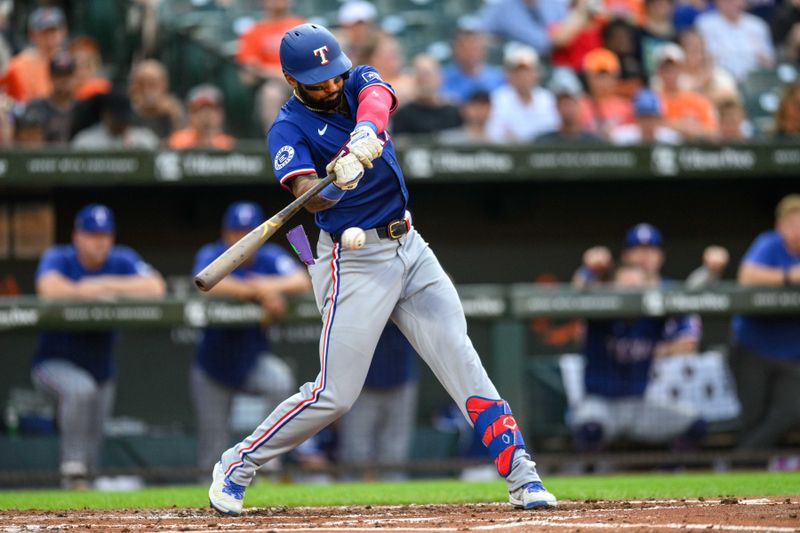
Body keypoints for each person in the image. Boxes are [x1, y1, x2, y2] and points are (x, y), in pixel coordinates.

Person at [208, 22, 557, 515]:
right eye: (318, 82)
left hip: (409, 245)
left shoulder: (355, 80)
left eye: (333, 76)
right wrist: (336, 182)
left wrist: (366, 135)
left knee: (461, 358)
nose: (330, 87)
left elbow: (377, 97)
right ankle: (238, 463)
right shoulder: (288, 128)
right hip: (354, 260)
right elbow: (309, 198)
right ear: (292, 82)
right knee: (335, 394)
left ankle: (522, 475)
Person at [31, 204, 166, 488]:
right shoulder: (60, 256)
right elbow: (48, 287)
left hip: (101, 370)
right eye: (92, 234)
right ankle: (71, 465)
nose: (100, 241)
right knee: (80, 390)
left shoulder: (121, 259)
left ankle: (79, 503)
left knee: (91, 455)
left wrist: (105, 283)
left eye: (105, 234)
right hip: (52, 364)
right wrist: (83, 291)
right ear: (77, 236)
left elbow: (155, 286)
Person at [192, 201, 316, 475]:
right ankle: (204, 496)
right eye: (237, 232)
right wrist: (256, 292)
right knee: (211, 447)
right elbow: (204, 282)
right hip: (213, 365)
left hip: (251, 360)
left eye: (250, 233)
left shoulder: (270, 257)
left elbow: (300, 281)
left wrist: (267, 286)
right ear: (226, 233)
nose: (242, 239)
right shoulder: (213, 253)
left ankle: (269, 461)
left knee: (279, 379)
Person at [569, 262, 706, 454]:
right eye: (626, 286)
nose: (631, 292)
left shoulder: (653, 317)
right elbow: (576, 293)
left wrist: (707, 272)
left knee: (695, 423)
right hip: (601, 403)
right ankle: (590, 476)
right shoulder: (599, 313)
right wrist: (588, 269)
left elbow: (689, 304)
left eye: (637, 286)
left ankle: (669, 474)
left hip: (640, 405)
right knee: (590, 428)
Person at [731, 194, 800, 450]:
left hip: (793, 354)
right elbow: (746, 276)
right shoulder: (769, 244)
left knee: (791, 412)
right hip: (753, 348)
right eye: (791, 224)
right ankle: (744, 476)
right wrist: (788, 276)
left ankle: (739, 463)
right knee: (752, 417)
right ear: (779, 226)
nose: (797, 230)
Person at [338, 322, 418, 480]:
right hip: (359, 382)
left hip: (400, 376)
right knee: (355, 454)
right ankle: (350, 503)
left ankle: (395, 503)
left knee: (394, 455)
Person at [485, 44, 560, 144]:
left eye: (527, 71)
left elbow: (554, 132)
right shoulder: (498, 99)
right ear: (508, 74)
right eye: (517, 72)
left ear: (536, 73)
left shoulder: (547, 98)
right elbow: (494, 134)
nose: (522, 76)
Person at [651, 42, 719, 141]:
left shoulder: (697, 100)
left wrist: (692, 131)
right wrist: (681, 126)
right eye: (665, 68)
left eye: (673, 68)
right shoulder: (652, 100)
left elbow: (713, 132)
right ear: (658, 71)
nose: (670, 72)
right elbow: (646, 127)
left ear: (681, 69)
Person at [696, 0, 775, 82]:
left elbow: (770, 63)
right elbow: (699, 58)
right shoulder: (705, 24)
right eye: (729, 1)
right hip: (719, 80)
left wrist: (761, 56)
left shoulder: (757, 25)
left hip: (754, 80)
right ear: (718, 2)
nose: (735, 4)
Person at [5, 6, 68, 102]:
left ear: (63, 31)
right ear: (32, 35)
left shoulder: (70, 62)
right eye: (43, 33)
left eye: (53, 31)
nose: (49, 38)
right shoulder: (18, 65)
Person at [440, 16, 506, 105]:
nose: (470, 48)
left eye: (475, 42)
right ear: (454, 48)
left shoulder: (500, 79)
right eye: (464, 42)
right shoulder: (441, 78)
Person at [391, 54, 461, 137]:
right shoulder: (403, 115)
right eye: (420, 75)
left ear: (440, 78)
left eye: (428, 74)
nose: (425, 80)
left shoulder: (453, 112)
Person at [577, 47, 635, 140]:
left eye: (606, 76)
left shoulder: (627, 108)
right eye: (597, 76)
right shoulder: (579, 107)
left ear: (616, 77)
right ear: (587, 78)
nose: (602, 81)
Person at [536, 68, 604, 145]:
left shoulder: (594, 142)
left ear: (579, 105)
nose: (567, 108)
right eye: (563, 103)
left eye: (570, 103)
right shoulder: (544, 142)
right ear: (557, 107)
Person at [72, 91, 160, 149]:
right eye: (119, 119)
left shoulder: (145, 139)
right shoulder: (85, 142)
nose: (123, 124)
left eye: (125, 119)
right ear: (106, 114)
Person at [476, 0, 567, 55]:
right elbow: (480, 33)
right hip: (519, 62)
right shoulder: (502, 7)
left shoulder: (554, 3)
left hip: (557, 61)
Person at [26, 51, 76, 144]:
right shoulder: (36, 108)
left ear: (74, 77)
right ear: (51, 77)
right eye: (59, 75)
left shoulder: (83, 108)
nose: (64, 80)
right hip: (44, 157)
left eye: (68, 75)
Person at [128, 59, 184, 140]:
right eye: (141, 84)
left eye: (152, 84)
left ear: (164, 84)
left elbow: (182, 141)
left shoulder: (174, 108)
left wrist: (173, 116)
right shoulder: (129, 109)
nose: (146, 90)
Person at [168, 84, 235, 150]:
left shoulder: (229, 145)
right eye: (199, 110)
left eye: (211, 110)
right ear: (189, 115)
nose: (205, 116)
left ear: (221, 114)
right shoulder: (178, 142)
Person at [610, 87, 681, 144]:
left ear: (658, 119)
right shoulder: (622, 137)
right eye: (644, 118)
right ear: (636, 119)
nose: (648, 122)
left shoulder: (670, 138)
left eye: (651, 117)